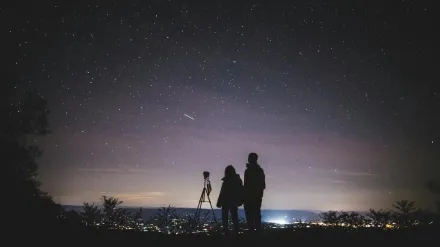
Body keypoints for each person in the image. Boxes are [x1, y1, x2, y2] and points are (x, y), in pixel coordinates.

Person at [216, 165, 243, 234]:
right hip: (233, 201)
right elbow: (241, 191)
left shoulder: (226, 181)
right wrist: (240, 201)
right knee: (234, 217)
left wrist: (219, 202)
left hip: (226, 201)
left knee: (226, 217)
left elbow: (222, 192)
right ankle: (236, 231)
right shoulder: (237, 180)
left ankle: (226, 231)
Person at [244, 152, 265, 231]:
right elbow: (263, 185)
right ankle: (257, 234)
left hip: (249, 197)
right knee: (256, 215)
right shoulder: (260, 171)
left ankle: (251, 233)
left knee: (250, 216)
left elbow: (246, 185)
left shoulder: (248, 171)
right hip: (257, 197)